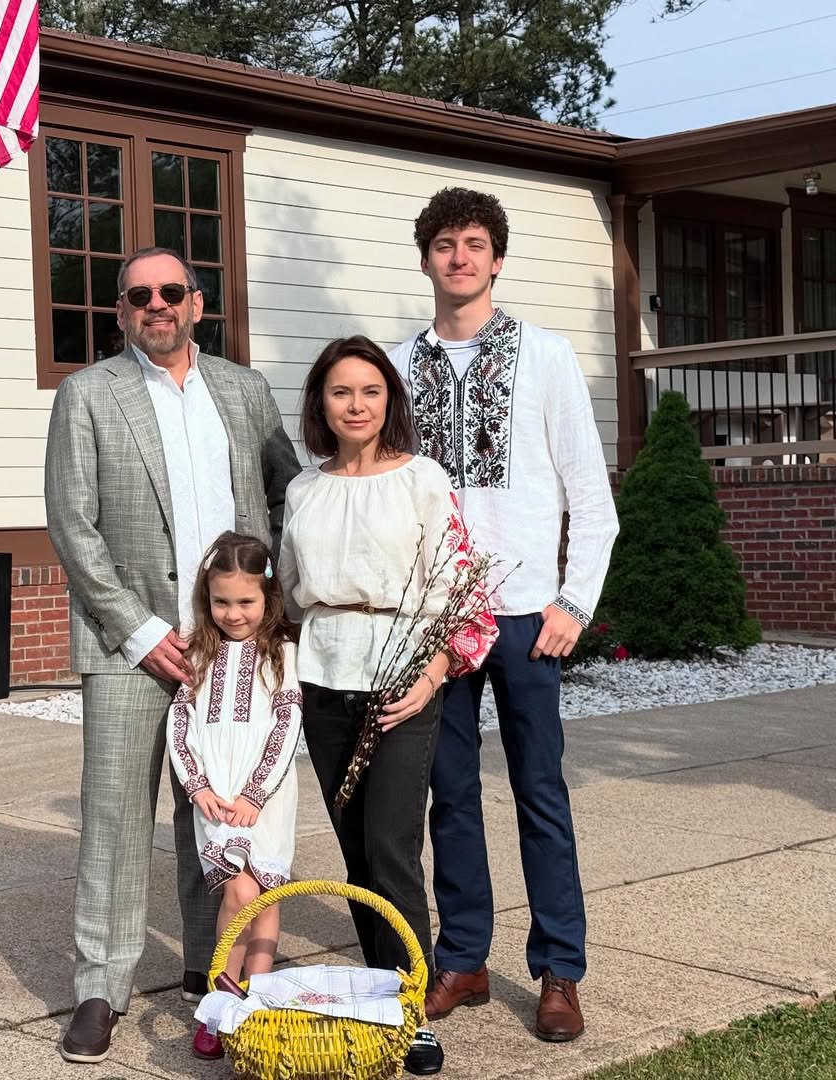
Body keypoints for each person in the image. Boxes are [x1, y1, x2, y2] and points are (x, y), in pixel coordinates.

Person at [44, 247, 301, 1064]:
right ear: (122, 311)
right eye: (137, 296)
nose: (155, 305)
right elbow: (72, 526)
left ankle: (208, 963)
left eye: (170, 292)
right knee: (117, 814)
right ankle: (100, 985)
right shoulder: (87, 395)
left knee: (219, 802)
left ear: (198, 303)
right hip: (131, 643)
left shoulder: (245, 390)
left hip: (233, 641)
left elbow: (289, 492)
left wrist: (277, 616)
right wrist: (143, 629)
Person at [388, 188, 619, 1042]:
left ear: (496, 257)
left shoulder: (547, 357)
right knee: (446, 794)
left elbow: (592, 499)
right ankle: (464, 959)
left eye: (475, 243)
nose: (460, 257)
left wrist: (573, 601)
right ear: (424, 259)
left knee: (539, 792)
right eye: (444, 243)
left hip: (525, 615)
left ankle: (559, 969)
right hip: (435, 621)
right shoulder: (395, 366)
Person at [278, 335, 497, 1077]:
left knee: (392, 849)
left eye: (370, 391)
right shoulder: (305, 490)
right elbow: (286, 592)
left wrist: (433, 675)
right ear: (321, 405)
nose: (357, 405)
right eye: (341, 392)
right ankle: (375, 997)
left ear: (389, 401)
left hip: (403, 681)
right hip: (324, 679)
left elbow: (468, 593)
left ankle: (411, 1008)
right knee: (351, 850)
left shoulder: (424, 482)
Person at [166, 531, 303, 1061]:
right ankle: (223, 1003)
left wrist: (256, 792)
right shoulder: (198, 653)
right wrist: (196, 784)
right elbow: (181, 722)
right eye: (221, 601)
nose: (233, 612)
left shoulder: (281, 655)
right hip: (216, 799)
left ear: (268, 599)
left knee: (263, 893)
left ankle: (257, 1002)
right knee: (238, 893)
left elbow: (287, 725)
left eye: (245, 601)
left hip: (263, 796)